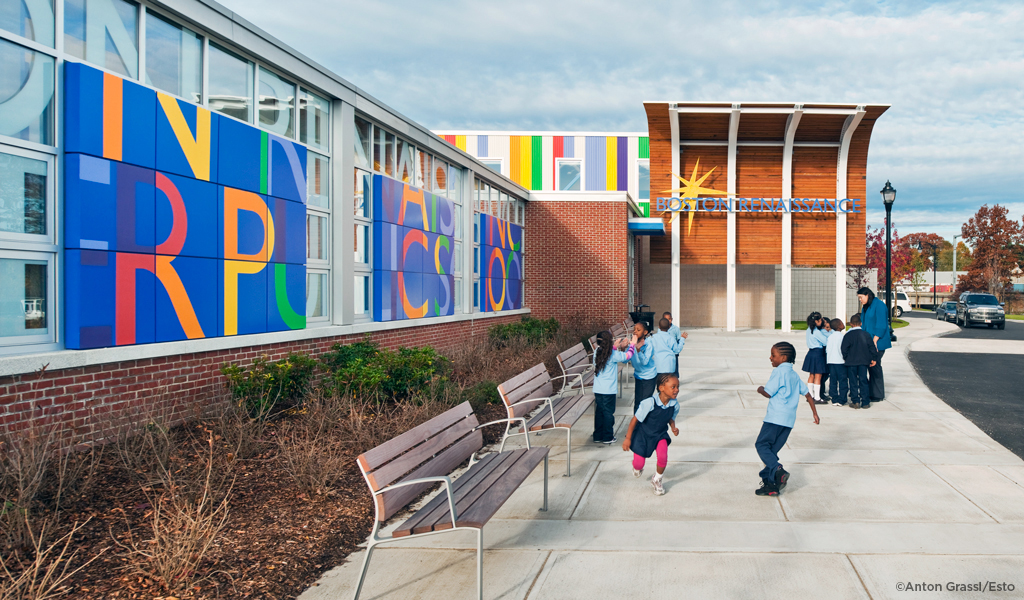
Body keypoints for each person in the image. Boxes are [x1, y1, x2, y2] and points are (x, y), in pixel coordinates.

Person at [754, 342, 820, 496]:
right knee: (771, 453)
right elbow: (808, 395)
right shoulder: (794, 375)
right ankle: (771, 485)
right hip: (788, 422)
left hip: (774, 419)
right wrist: (815, 414)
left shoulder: (779, 372)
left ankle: (778, 471)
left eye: (773, 355)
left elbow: (769, 393)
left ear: (783, 358)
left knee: (762, 445)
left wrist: (760, 389)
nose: (770, 358)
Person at [622, 373, 680, 496]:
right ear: (662, 388)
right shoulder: (649, 403)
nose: (677, 390)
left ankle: (657, 479)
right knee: (638, 464)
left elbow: (670, 418)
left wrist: (673, 428)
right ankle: (637, 466)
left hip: (660, 434)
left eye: (678, 387)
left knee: (663, 456)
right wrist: (628, 438)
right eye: (673, 387)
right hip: (643, 435)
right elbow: (634, 420)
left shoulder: (675, 404)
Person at [592, 330, 636, 444]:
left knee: (599, 412)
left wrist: (615, 347)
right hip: (609, 390)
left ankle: (598, 435)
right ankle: (607, 436)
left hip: (598, 389)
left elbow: (607, 354)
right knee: (608, 413)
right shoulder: (613, 354)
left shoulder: (597, 351)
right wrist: (632, 344)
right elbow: (627, 356)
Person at [858, 287, 891, 403]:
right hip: (868, 342)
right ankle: (869, 392)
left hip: (878, 342)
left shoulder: (880, 305)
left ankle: (877, 394)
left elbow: (882, 324)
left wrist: (875, 341)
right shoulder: (866, 307)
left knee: (875, 366)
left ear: (867, 295)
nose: (860, 300)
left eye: (861, 297)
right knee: (868, 366)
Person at [841, 314, 878, 409]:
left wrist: (846, 358)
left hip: (851, 362)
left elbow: (844, 349)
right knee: (863, 381)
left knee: (853, 382)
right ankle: (865, 402)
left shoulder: (848, 335)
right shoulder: (866, 334)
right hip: (863, 362)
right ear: (861, 323)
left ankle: (855, 401)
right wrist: (873, 358)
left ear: (851, 324)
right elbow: (872, 347)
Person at [801, 312, 830, 404]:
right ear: (817, 321)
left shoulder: (808, 329)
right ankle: (817, 398)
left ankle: (810, 395)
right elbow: (825, 342)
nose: (821, 321)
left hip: (810, 353)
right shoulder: (817, 332)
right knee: (818, 375)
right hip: (818, 353)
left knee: (811, 375)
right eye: (820, 320)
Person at [630, 321, 657, 414]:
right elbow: (625, 359)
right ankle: (636, 425)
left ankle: (645, 425)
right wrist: (623, 349)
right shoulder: (633, 343)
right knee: (637, 401)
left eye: (638, 330)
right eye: (634, 330)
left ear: (645, 332)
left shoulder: (649, 344)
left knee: (646, 402)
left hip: (648, 376)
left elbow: (645, 361)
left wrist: (638, 351)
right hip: (638, 375)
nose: (635, 332)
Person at [825, 318, 848, 406]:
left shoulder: (830, 336)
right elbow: (844, 349)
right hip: (840, 361)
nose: (843, 324)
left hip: (831, 361)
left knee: (833, 380)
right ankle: (842, 399)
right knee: (842, 380)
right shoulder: (842, 336)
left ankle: (834, 398)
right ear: (839, 326)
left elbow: (827, 349)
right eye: (841, 323)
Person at [663, 312, 683, 377]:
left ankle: (675, 379)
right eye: (666, 319)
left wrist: (676, 348)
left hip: (674, 352)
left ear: (672, 319)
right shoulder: (661, 329)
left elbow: (678, 339)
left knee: (674, 367)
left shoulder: (675, 329)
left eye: (669, 319)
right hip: (665, 352)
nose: (668, 321)